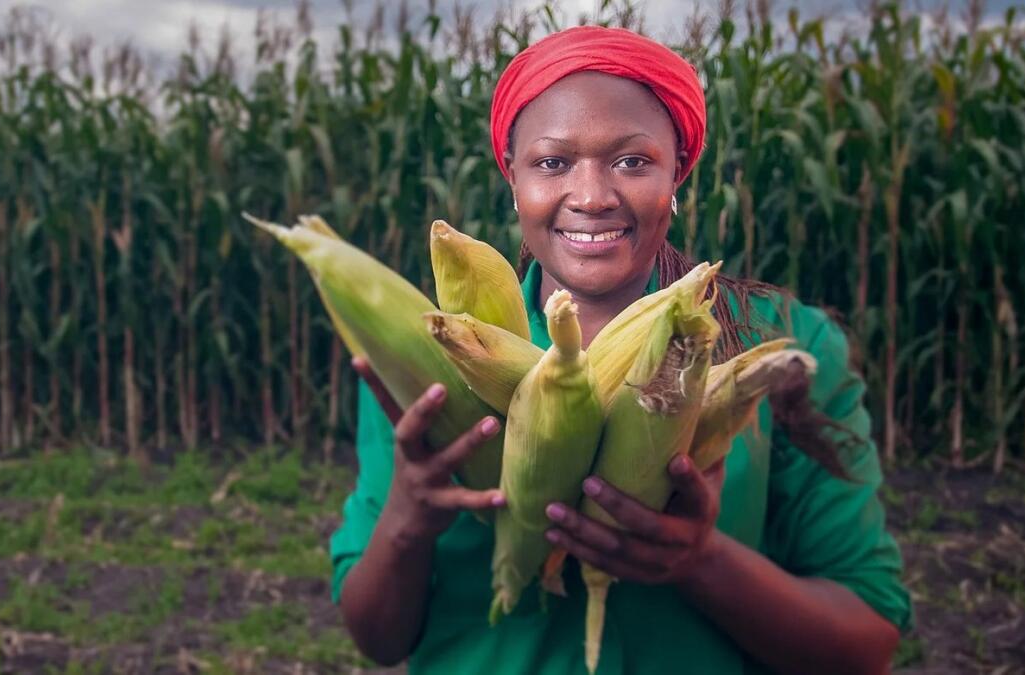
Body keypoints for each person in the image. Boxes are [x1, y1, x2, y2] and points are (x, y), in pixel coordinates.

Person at [329, 26, 913, 674]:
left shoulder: (786, 345)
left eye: (632, 161)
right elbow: (378, 638)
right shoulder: (425, 354)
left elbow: (867, 639)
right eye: (552, 162)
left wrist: (699, 560)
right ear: (512, 175)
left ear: (677, 171)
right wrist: (409, 517)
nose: (591, 196)